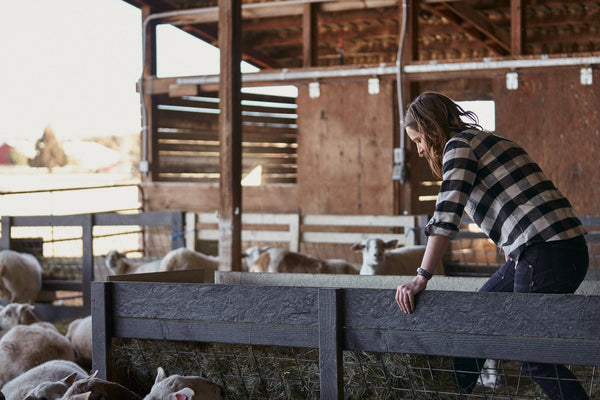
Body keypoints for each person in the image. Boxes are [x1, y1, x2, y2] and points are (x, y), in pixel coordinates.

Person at [394, 92, 589, 399]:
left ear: (432, 130)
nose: (419, 151)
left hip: (543, 251)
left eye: (419, 140)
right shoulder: (489, 141)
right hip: (563, 249)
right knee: (478, 323)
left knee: (532, 357)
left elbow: (446, 215)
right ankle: (451, 393)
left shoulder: (457, 146)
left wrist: (422, 276)